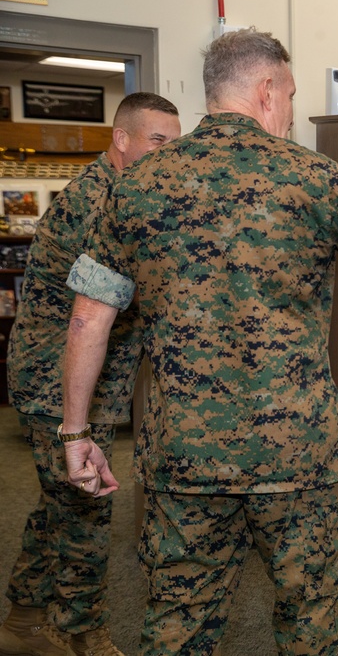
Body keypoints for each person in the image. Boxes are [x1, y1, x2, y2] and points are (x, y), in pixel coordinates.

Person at [59, 29, 338, 656]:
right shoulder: (316, 178)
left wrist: (77, 434)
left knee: (179, 624)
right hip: (298, 456)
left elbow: (88, 320)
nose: (293, 109)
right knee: (311, 619)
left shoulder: (134, 187)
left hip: (183, 457)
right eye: (292, 94)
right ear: (266, 90)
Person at [0, 92, 181, 656]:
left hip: (85, 379)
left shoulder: (126, 194)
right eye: (157, 142)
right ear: (121, 140)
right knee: (87, 507)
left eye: (175, 145)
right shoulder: (97, 204)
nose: (167, 155)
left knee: (61, 500)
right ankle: (81, 633)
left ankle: (24, 619)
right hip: (61, 383)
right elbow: (127, 296)